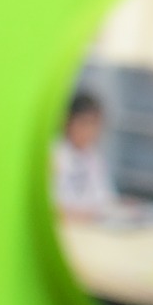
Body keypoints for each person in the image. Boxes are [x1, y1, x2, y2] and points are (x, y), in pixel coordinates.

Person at [51, 91, 116, 220]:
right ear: (67, 122)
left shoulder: (93, 157)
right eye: (84, 123)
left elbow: (105, 199)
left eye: (94, 124)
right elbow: (51, 207)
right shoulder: (55, 154)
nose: (89, 131)